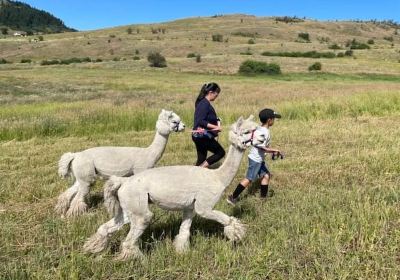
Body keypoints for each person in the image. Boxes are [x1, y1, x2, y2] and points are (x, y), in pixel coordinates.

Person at [227, 108, 283, 204]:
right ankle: (232, 197)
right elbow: (262, 147)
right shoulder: (264, 132)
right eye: (273, 119)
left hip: (258, 158)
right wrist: (275, 150)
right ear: (269, 120)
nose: (274, 120)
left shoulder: (260, 128)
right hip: (256, 159)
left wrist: (271, 151)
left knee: (266, 176)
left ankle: (263, 199)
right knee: (249, 179)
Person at [192, 82, 225, 168]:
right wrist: (216, 127)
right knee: (220, 152)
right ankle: (201, 169)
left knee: (201, 159)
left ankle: (195, 174)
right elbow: (200, 121)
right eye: (216, 94)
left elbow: (205, 119)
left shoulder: (204, 103)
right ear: (211, 92)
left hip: (199, 136)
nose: (216, 97)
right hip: (202, 136)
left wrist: (216, 120)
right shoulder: (204, 104)